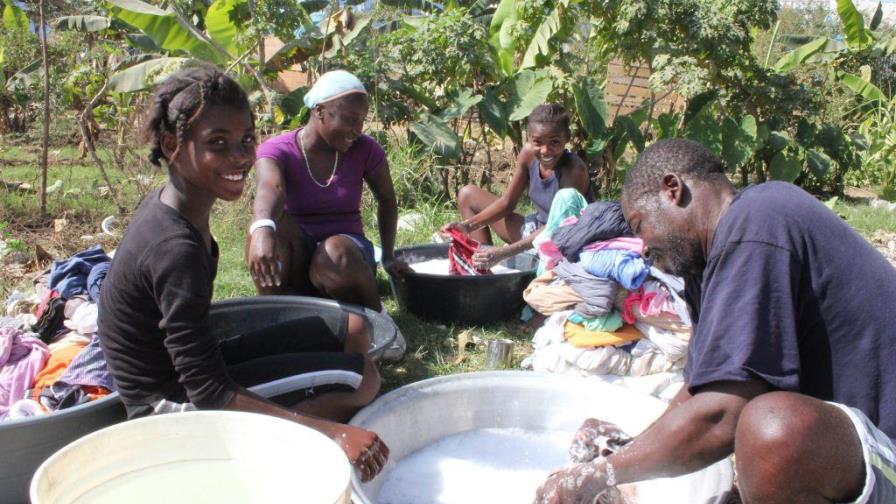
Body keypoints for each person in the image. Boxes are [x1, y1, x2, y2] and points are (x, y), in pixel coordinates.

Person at [534, 138, 896, 503]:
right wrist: (626, 451)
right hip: (846, 444)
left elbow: (723, 413)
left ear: (672, 190)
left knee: (771, 427)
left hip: (887, 452)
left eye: (639, 225)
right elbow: (699, 391)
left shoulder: (759, 220)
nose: (641, 247)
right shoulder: (705, 267)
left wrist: (597, 476)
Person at [97, 66, 388, 482]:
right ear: (171, 145)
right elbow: (208, 391)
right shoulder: (173, 247)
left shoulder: (178, 206)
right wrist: (333, 434)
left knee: (355, 329)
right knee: (364, 379)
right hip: (169, 406)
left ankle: (299, 410)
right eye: (218, 143)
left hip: (193, 368)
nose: (239, 157)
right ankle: (264, 456)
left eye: (246, 140)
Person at [246, 70, 410, 313]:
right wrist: (261, 229)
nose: (358, 129)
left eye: (362, 120)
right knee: (269, 225)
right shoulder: (278, 150)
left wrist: (387, 255)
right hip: (297, 256)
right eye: (350, 119)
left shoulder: (366, 149)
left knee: (334, 253)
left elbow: (386, 199)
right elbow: (271, 188)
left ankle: (377, 320)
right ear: (319, 111)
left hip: (346, 259)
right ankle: (277, 314)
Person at [446, 104, 591, 269]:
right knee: (468, 194)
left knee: (528, 251)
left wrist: (503, 253)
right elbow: (507, 202)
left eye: (554, 142)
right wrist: (467, 225)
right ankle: (480, 266)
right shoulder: (528, 155)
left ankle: (493, 260)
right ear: (529, 137)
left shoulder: (574, 170)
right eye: (538, 142)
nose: (545, 150)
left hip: (563, 241)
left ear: (567, 138)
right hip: (536, 229)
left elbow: (557, 228)